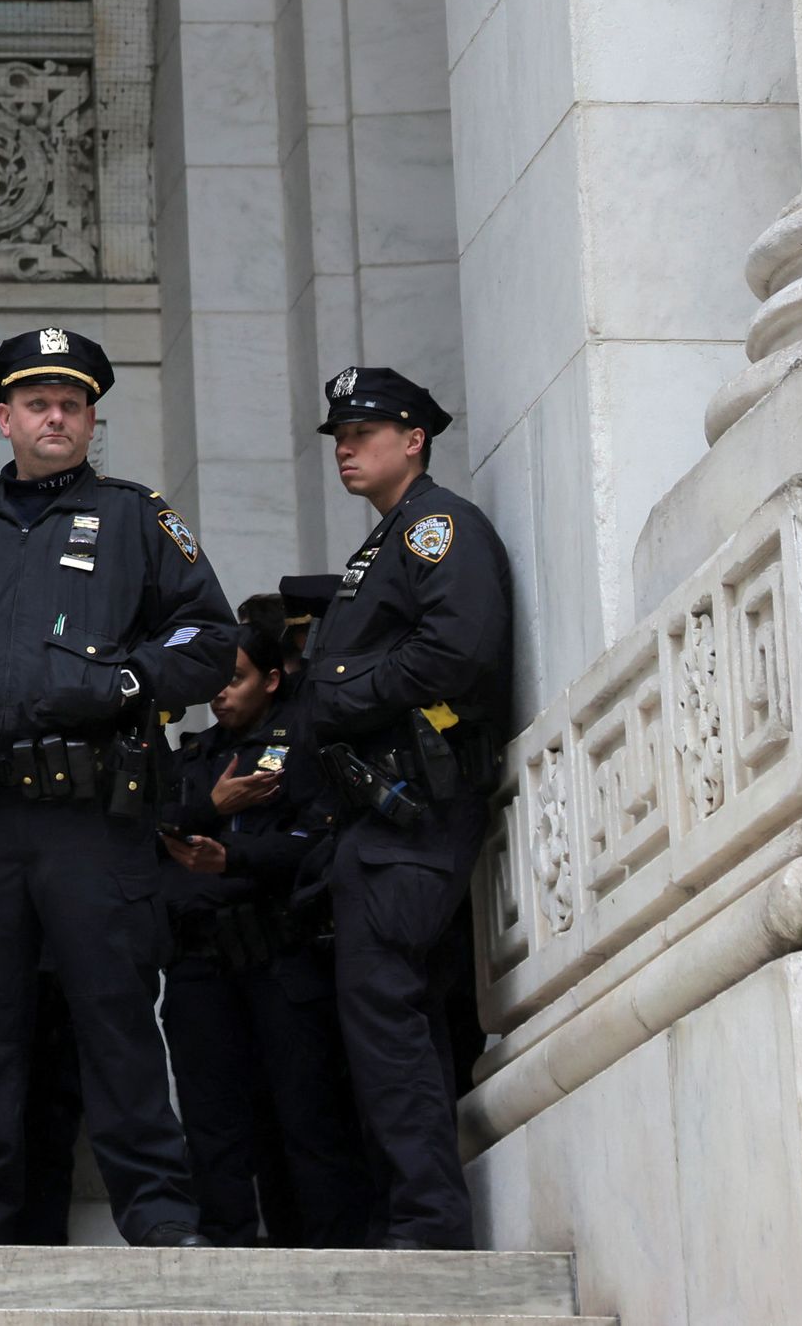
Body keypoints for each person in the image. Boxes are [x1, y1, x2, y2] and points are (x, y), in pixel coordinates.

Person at [0, 325, 236, 1248]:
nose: (55, 415)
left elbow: (208, 638)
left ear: (92, 417)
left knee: (113, 1015)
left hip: (90, 817)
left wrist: (122, 682)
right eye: (37, 401)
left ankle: (157, 1210)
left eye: (71, 402)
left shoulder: (136, 517)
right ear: (4, 417)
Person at [296, 365, 515, 1251]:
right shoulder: (383, 543)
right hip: (379, 821)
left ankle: (427, 1217)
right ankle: (412, 1211)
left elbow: (456, 651)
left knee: (388, 1016)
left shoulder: (436, 528)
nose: (346, 447)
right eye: (339, 434)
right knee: (389, 1020)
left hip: (415, 818)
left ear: (413, 438)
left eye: (364, 431)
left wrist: (340, 689)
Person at [159, 590, 376, 1246]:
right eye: (214, 682)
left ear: (273, 676)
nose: (221, 694)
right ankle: (224, 1243)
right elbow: (154, 837)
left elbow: (317, 840)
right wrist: (212, 804)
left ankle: (324, 1249)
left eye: (236, 679)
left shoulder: (302, 744)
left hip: (281, 955)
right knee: (212, 1121)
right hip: (201, 963)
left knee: (304, 1116)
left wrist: (233, 857)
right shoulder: (192, 759)